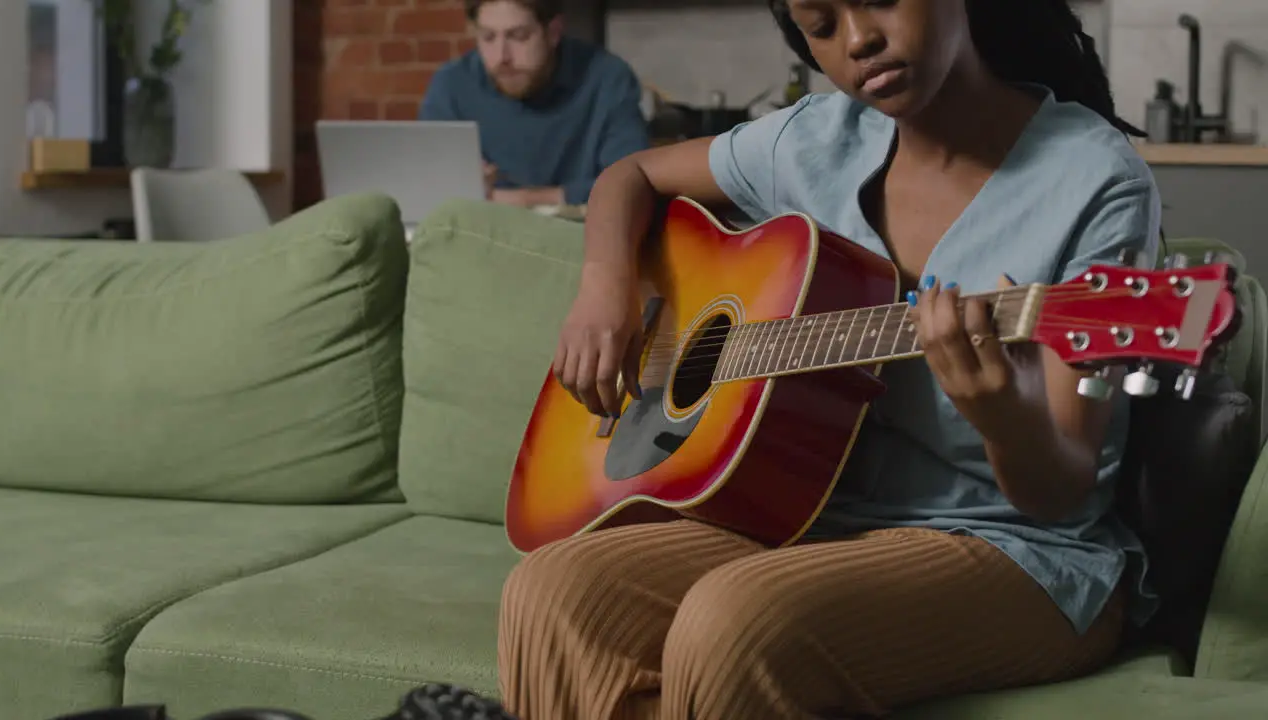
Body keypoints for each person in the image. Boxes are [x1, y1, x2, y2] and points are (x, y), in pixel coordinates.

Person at [490, 0, 1163, 718]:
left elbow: (1061, 491)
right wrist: (605, 287)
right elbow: (631, 175)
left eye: (878, 1)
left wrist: (1003, 417)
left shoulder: (1095, 179)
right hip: (814, 518)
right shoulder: (815, 140)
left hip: (1022, 551)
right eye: (820, 27)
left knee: (737, 621)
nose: (858, 40)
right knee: (551, 595)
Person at [418, 0, 651, 209]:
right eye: (488, 37)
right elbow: (425, 185)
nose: (502, 57)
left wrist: (528, 199)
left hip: (583, 237)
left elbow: (633, 182)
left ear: (553, 32)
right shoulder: (451, 84)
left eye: (519, 36)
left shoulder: (607, 78)